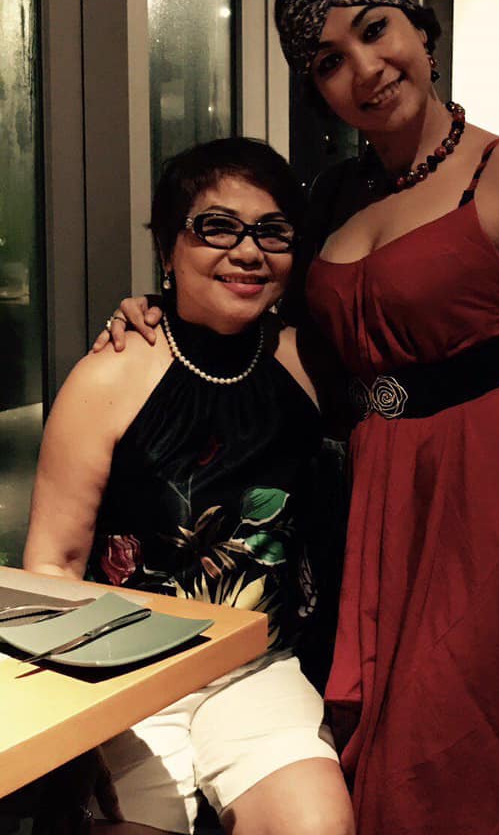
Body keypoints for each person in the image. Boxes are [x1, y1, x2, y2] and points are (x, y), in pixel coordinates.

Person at [99, 0, 499, 834]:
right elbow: (261, 309)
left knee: (449, 730)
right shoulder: (332, 195)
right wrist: (155, 309)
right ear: (319, 90)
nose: (366, 69)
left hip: (490, 483)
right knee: (372, 739)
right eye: (330, 60)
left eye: (377, 31)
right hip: (374, 489)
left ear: (422, 32)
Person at [23, 137, 356, 835]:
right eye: (217, 227)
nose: (248, 251)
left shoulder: (306, 361)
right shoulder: (111, 373)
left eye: (272, 232)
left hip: (258, 670)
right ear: (168, 248)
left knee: (319, 825)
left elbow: (420, 401)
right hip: (125, 677)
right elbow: (53, 564)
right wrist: (74, 732)